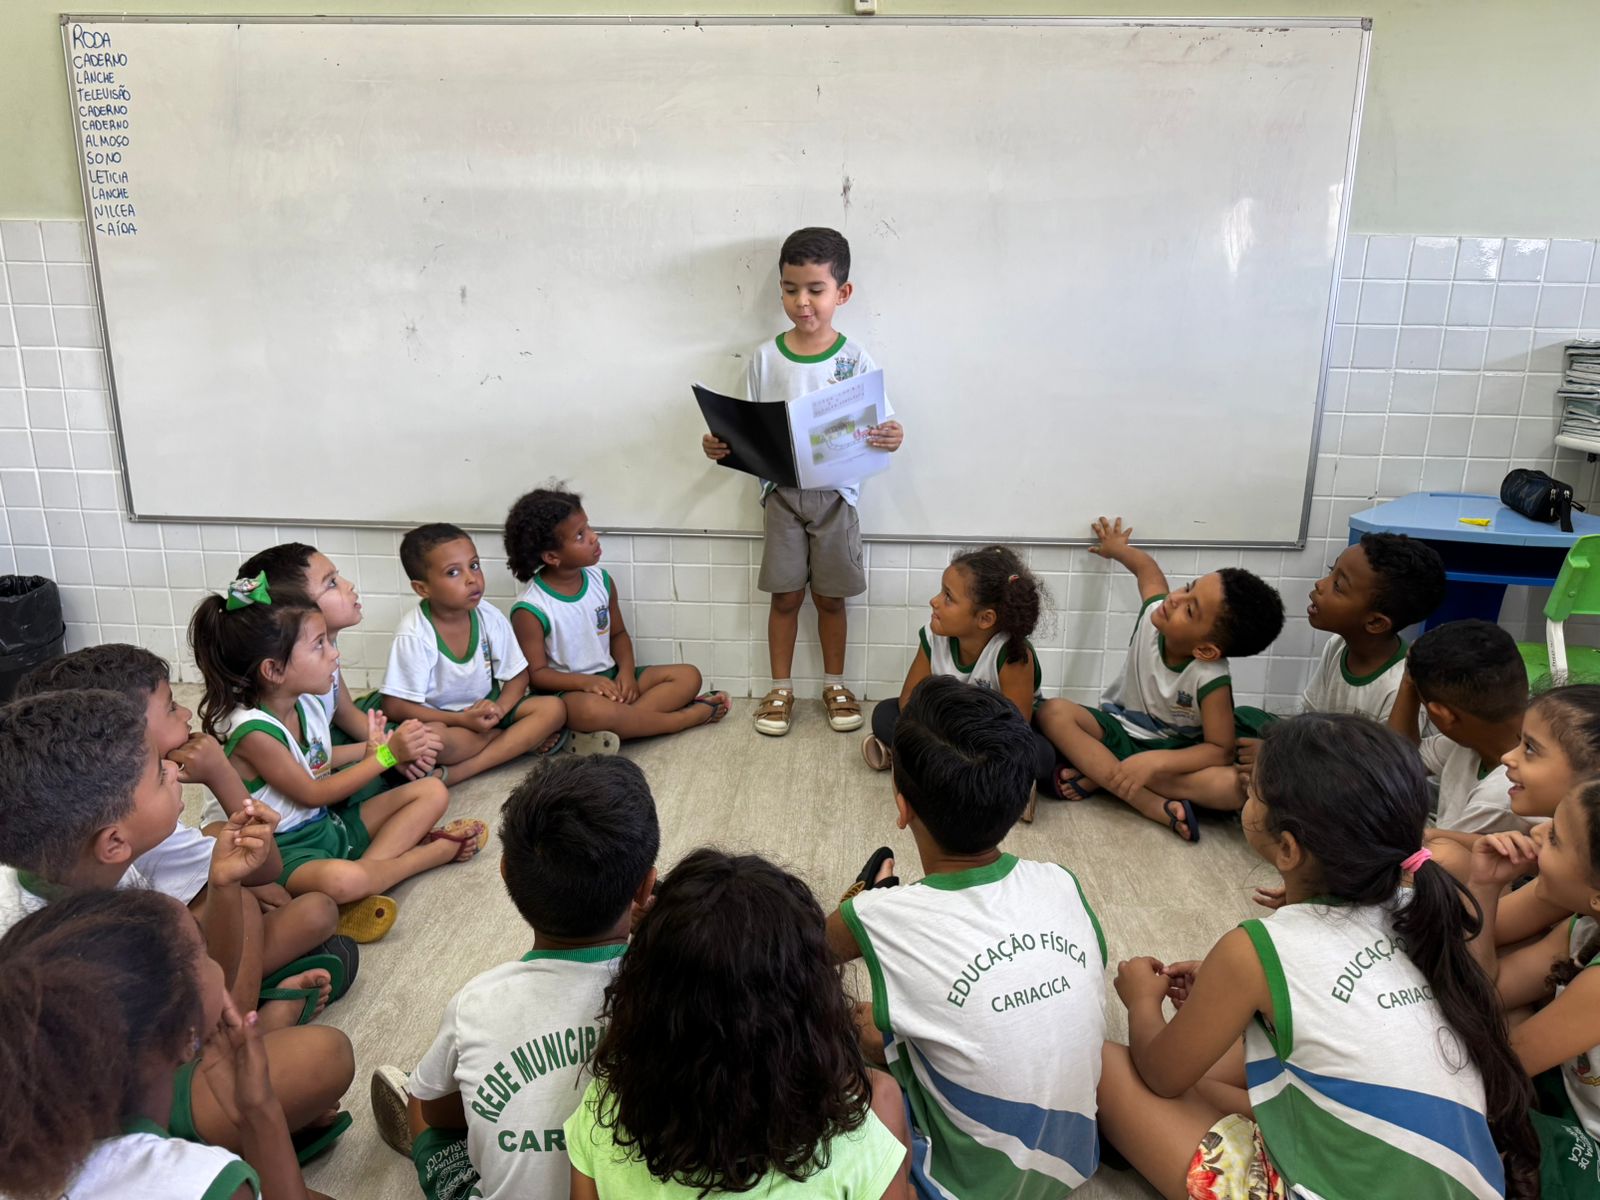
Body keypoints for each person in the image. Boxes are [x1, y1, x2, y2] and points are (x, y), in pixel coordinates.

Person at [1096, 712, 1536, 1200]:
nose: (1247, 795)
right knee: (1241, 1065)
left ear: (1287, 849)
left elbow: (1161, 1074)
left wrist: (1140, 997)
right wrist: (1230, 995)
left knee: (1109, 1067)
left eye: (1254, 792)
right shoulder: (1421, 907)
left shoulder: (1254, 951)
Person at [0, 691, 355, 1166]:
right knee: (325, 1057)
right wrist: (253, 1105)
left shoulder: (103, 868)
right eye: (157, 775)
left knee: (265, 920)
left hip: (152, 1058)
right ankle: (259, 1049)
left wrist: (225, 886)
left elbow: (200, 983)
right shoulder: (41, 947)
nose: (172, 772)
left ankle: (256, 1052)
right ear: (113, 841)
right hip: (98, 1133)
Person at [829, 677, 1107, 1197]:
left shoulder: (879, 915)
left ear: (902, 805)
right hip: (1074, 1160)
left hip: (961, 1185)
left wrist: (865, 904)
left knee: (844, 1040)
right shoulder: (1060, 881)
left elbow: (806, 956)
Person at [369, 756, 660, 1200]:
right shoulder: (679, 988)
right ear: (645, 888)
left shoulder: (478, 1002)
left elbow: (437, 1110)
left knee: (423, 1104)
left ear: (505, 872)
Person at [16, 644, 350, 1026]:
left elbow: (264, 873)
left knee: (311, 910)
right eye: (172, 706)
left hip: (170, 987)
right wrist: (222, 776)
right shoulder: (57, 930)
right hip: (164, 1026)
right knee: (248, 908)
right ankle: (247, 1027)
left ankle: (250, 1005)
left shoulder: (104, 830)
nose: (188, 712)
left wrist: (235, 886)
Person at [566, 848, 912, 1199]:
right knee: (885, 1091)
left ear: (646, 1005)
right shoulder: (859, 1149)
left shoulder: (601, 1112)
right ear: (810, 1017)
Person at [702, 226, 904, 738]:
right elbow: (741, 427)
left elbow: (884, 424)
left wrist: (892, 433)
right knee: (786, 596)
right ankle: (781, 687)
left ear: (843, 293)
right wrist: (720, 445)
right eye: (791, 289)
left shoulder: (854, 359)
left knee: (832, 597)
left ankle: (836, 684)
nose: (802, 301)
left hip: (837, 497)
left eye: (815, 289)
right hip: (781, 498)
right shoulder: (766, 358)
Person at [190, 576, 479, 930]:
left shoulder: (304, 702)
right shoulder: (252, 731)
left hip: (326, 828)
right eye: (319, 645)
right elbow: (312, 793)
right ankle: (429, 855)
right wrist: (384, 758)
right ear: (273, 670)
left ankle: (368, 880)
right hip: (285, 852)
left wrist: (376, 749)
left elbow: (317, 764)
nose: (334, 652)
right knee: (344, 880)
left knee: (431, 790)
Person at [0, 889, 315, 1200]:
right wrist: (261, 1112)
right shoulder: (200, 1183)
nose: (214, 960)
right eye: (203, 950)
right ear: (180, 1034)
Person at [1035, 516, 1285, 842]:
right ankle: (1145, 800)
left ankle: (1104, 774)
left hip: (1179, 750)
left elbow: (1219, 750)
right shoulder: (1156, 614)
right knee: (1052, 712)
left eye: (1190, 610)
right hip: (1119, 728)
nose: (1175, 599)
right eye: (1188, 587)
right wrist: (1117, 549)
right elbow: (1147, 572)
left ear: (1206, 650)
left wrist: (1155, 762)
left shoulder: (1210, 676)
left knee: (1232, 788)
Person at [1182, 532, 1447, 810]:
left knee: (1280, 778)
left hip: (1365, 787)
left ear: (1375, 622)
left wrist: (1282, 760)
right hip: (1325, 754)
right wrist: (1283, 750)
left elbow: (1383, 778)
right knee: (1243, 720)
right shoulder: (1337, 646)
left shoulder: (1397, 686)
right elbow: (1310, 722)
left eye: (1338, 586)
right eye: (1331, 573)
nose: (1320, 585)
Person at [504, 485, 730, 740]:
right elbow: (537, 675)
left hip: (612, 679)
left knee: (688, 676)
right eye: (580, 535)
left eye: (588, 527)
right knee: (593, 710)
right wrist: (585, 683)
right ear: (552, 556)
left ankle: (619, 726)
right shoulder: (531, 608)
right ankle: (685, 718)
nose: (593, 536)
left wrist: (626, 674)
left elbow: (618, 635)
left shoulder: (602, 581)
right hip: (570, 695)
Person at [236, 541, 443, 805]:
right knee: (431, 742)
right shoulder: (293, 682)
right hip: (319, 762)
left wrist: (388, 747)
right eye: (331, 583)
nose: (348, 585)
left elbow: (345, 712)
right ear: (296, 608)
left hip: (330, 743)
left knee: (427, 733)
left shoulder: (325, 650)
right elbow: (314, 764)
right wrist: (388, 754)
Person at [1469, 777, 1600, 1194]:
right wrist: (1485, 886)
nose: (1537, 833)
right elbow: (1488, 990)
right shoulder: (1583, 928)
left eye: (1557, 838)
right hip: (1568, 1100)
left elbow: (1499, 1067)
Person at [861, 546, 1056, 817]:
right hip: (944, 730)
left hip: (990, 740)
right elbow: (908, 700)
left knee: (1042, 756)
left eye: (948, 598)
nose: (934, 601)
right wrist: (936, 729)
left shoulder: (1011, 654)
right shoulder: (933, 637)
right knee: (885, 714)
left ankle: (919, 767)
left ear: (985, 618)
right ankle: (973, 782)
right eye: (941, 592)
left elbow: (1017, 726)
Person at [379, 523, 576, 784]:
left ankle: (461, 771)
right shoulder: (414, 634)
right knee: (430, 740)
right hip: (447, 720)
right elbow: (394, 706)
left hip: (488, 708)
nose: (471, 579)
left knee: (553, 709)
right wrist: (461, 719)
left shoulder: (488, 615)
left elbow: (518, 676)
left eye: (474, 565)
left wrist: (499, 709)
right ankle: (508, 742)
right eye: (453, 572)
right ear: (422, 589)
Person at [1389, 618, 1533, 835]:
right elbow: (1395, 762)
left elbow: (1437, 858)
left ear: (1444, 715)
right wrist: (1411, 681)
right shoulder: (1477, 741)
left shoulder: (1500, 799)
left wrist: (1412, 683)